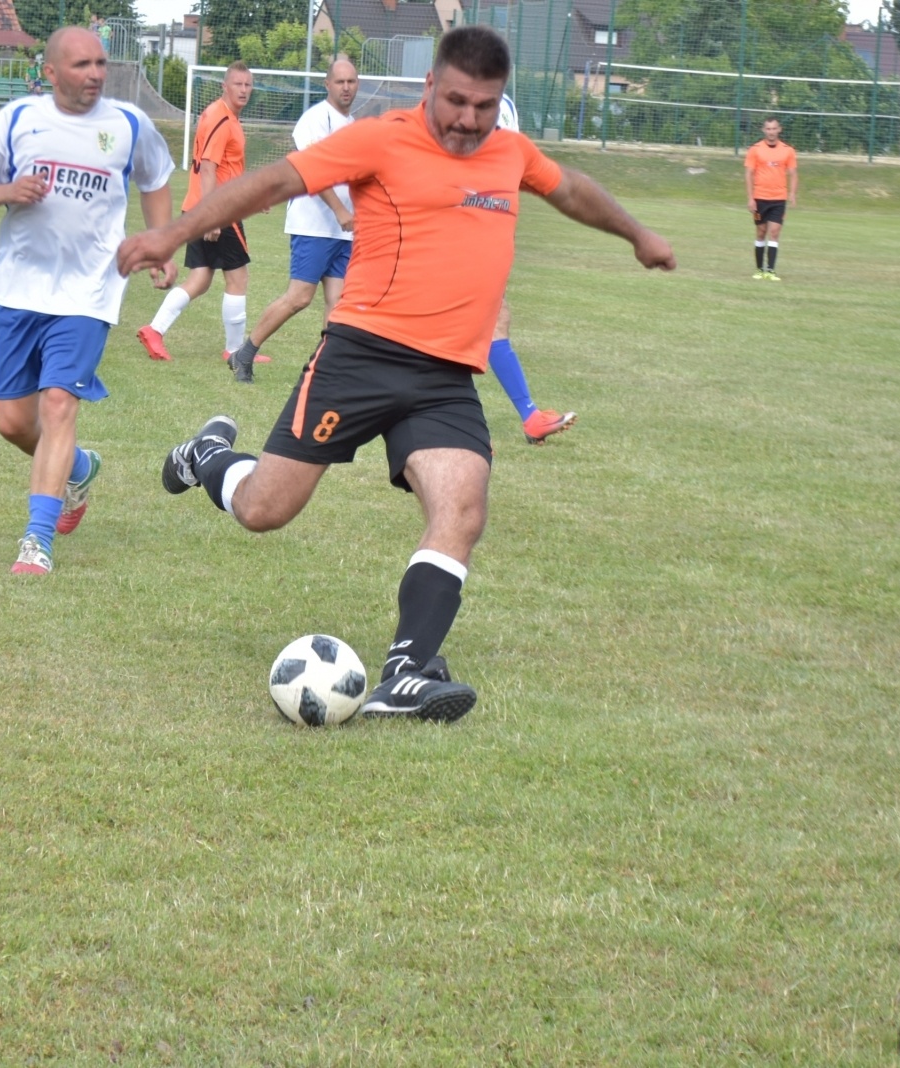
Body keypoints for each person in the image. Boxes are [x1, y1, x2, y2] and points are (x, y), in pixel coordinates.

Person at [117, 26, 674, 721]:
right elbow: (275, 179)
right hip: (361, 357)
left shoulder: (511, 151)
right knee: (265, 509)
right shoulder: (380, 139)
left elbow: (572, 191)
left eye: (487, 105)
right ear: (430, 87)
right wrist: (173, 233)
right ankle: (208, 457)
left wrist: (637, 235)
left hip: (444, 377)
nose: (471, 120)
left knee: (462, 510)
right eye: (458, 101)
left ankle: (406, 671)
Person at [0, 26, 176, 575]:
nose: (95, 74)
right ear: (50, 72)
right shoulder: (19, 119)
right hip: (19, 289)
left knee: (57, 405)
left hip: (89, 291)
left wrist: (162, 241)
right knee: (12, 422)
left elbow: (157, 176)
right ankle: (78, 466)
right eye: (81, 65)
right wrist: (7, 191)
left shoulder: (127, 124)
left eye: (100, 63)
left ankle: (36, 541)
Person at [225, 59, 359, 384]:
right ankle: (245, 352)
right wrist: (340, 211)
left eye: (351, 81)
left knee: (338, 302)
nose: (346, 87)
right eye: (340, 81)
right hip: (313, 225)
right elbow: (312, 171)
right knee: (299, 297)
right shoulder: (314, 120)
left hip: (343, 231)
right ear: (327, 84)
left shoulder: (354, 124)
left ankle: (328, 372)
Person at [136, 61, 254, 363]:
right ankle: (236, 350)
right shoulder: (220, 117)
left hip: (204, 206)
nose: (243, 89)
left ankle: (154, 330)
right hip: (218, 209)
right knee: (238, 279)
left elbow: (226, 168)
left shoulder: (226, 117)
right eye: (237, 84)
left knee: (200, 278)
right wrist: (212, 214)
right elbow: (209, 168)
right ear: (224, 87)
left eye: (248, 84)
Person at [486, 92, 576, 445]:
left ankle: (530, 416)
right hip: (466, 241)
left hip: (486, 242)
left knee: (492, 323)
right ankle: (529, 416)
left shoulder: (502, 104)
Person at [745, 116, 797, 281]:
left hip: (778, 199)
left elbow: (794, 173)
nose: (771, 132)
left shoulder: (788, 150)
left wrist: (792, 193)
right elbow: (749, 174)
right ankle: (760, 269)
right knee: (761, 232)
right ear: (764, 130)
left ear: (779, 129)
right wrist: (750, 198)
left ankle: (771, 271)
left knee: (774, 233)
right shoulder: (755, 149)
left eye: (774, 128)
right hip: (760, 198)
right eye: (768, 129)